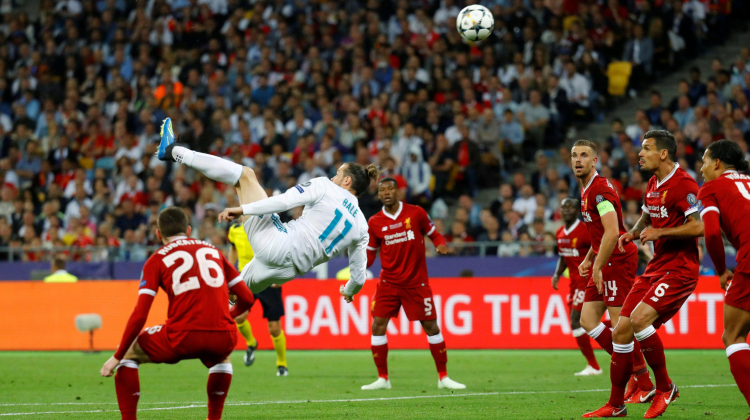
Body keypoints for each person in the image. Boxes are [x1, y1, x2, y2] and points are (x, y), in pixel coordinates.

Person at [157, 118, 372, 301]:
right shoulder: (362, 226)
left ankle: (173, 151)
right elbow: (358, 277)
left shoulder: (325, 186)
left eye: (338, 174)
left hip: (277, 245)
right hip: (287, 272)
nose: (333, 177)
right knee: (230, 295)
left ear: (347, 181)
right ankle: (202, 325)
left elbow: (284, 202)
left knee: (246, 175)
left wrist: (243, 209)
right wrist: (349, 291)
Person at [586, 131, 703, 418]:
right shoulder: (652, 183)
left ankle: (665, 388)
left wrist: (659, 233)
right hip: (657, 267)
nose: (640, 154)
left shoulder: (684, 184)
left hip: (680, 268)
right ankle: (616, 405)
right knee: (621, 330)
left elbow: (699, 226)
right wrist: (634, 232)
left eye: (647, 148)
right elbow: (647, 215)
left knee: (639, 321)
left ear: (663, 153)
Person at [99, 207, 256, 420]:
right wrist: (230, 315)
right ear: (188, 230)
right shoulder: (213, 252)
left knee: (128, 352)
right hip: (223, 335)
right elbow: (247, 297)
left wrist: (116, 356)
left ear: (158, 234)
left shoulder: (156, 260)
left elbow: (140, 314)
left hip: (182, 335)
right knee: (222, 359)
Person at [571, 140, 655, 414]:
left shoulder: (600, 192)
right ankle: (635, 374)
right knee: (587, 320)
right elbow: (601, 232)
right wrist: (589, 258)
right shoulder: (587, 189)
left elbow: (611, 232)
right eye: (574, 155)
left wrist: (597, 265)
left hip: (616, 259)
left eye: (584, 155)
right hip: (604, 258)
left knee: (621, 327)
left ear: (595, 161)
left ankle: (643, 381)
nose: (578, 160)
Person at [362, 177, 465, 390]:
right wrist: (358, 266)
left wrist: (440, 244)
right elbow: (370, 254)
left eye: (390, 189)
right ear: (378, 194)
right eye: (382, 190)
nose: (387, 192)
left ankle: (443, 377)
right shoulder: (374, 222)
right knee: (377, 325)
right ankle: (383, 379)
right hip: (388, 283)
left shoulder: (416, 213)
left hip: (416, 283)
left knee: (431, 327)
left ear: (398, 192)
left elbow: (435, 235)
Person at [698, 140, 750, 417]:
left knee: (733, 335)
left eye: (704, 161)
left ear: (717, 163)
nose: (701, 168)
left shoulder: (711, 188)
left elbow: (711, 233)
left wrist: (720, 270)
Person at [227, 220, 289, 376]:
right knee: (239, 317)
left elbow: (282, 250)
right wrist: (230, 269)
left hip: (268, 279)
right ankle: (251, 343)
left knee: (274, 328)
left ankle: (282, 363)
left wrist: (281, 273)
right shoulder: (234, 230)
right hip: (246, 279)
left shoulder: (267, 227)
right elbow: (233, 249)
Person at [551, 198, 602, 376]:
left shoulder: (585, 230)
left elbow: (600, 248)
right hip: (573, 283)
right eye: (563, 207)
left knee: (575, 321)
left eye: (570, 207)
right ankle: (615, 329)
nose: (566, 210)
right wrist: (557, 274)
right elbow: (563, 256)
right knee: (583, 323)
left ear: (577, 210)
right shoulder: (559, 233)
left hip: (587, 281)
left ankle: (594, 366)